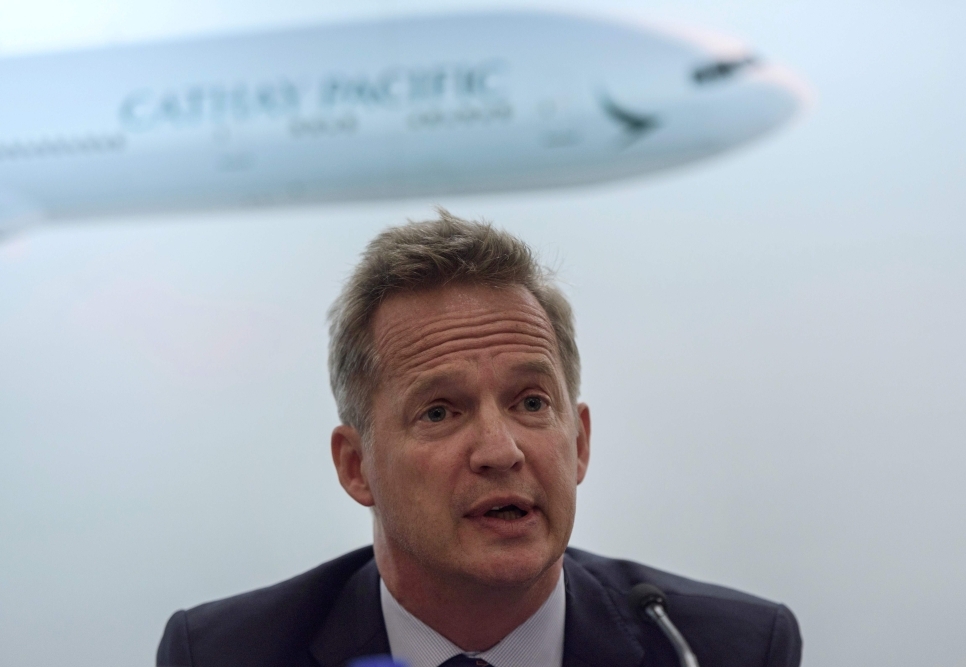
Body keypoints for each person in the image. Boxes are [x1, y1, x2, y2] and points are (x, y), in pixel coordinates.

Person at [157, 212, 802, 667]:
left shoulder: (720, 649)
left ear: (577, 443)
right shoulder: (224, 654)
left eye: (530, 402)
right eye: (440, 412)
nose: (502, 449)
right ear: (357, 467)